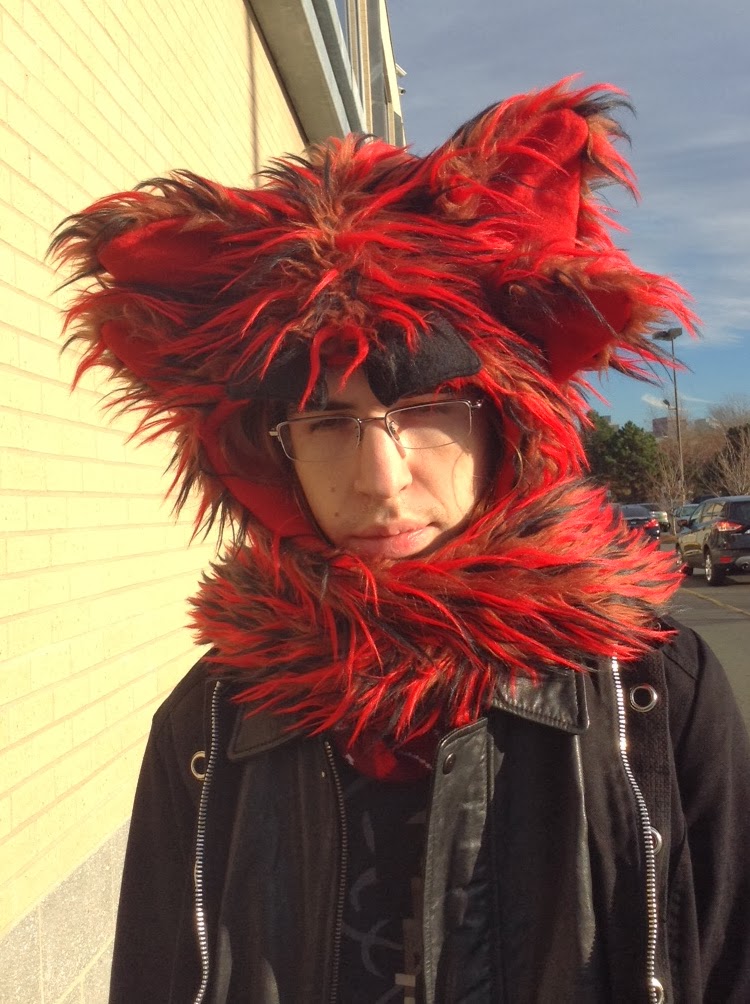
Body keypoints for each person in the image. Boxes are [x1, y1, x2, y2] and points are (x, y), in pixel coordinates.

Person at [51, 78, 750, 1003]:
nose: (381, 480)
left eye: (428, 409)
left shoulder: (653, 697)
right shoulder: (210, 726)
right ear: (271, 454)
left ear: (503, 423)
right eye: (326, 422)